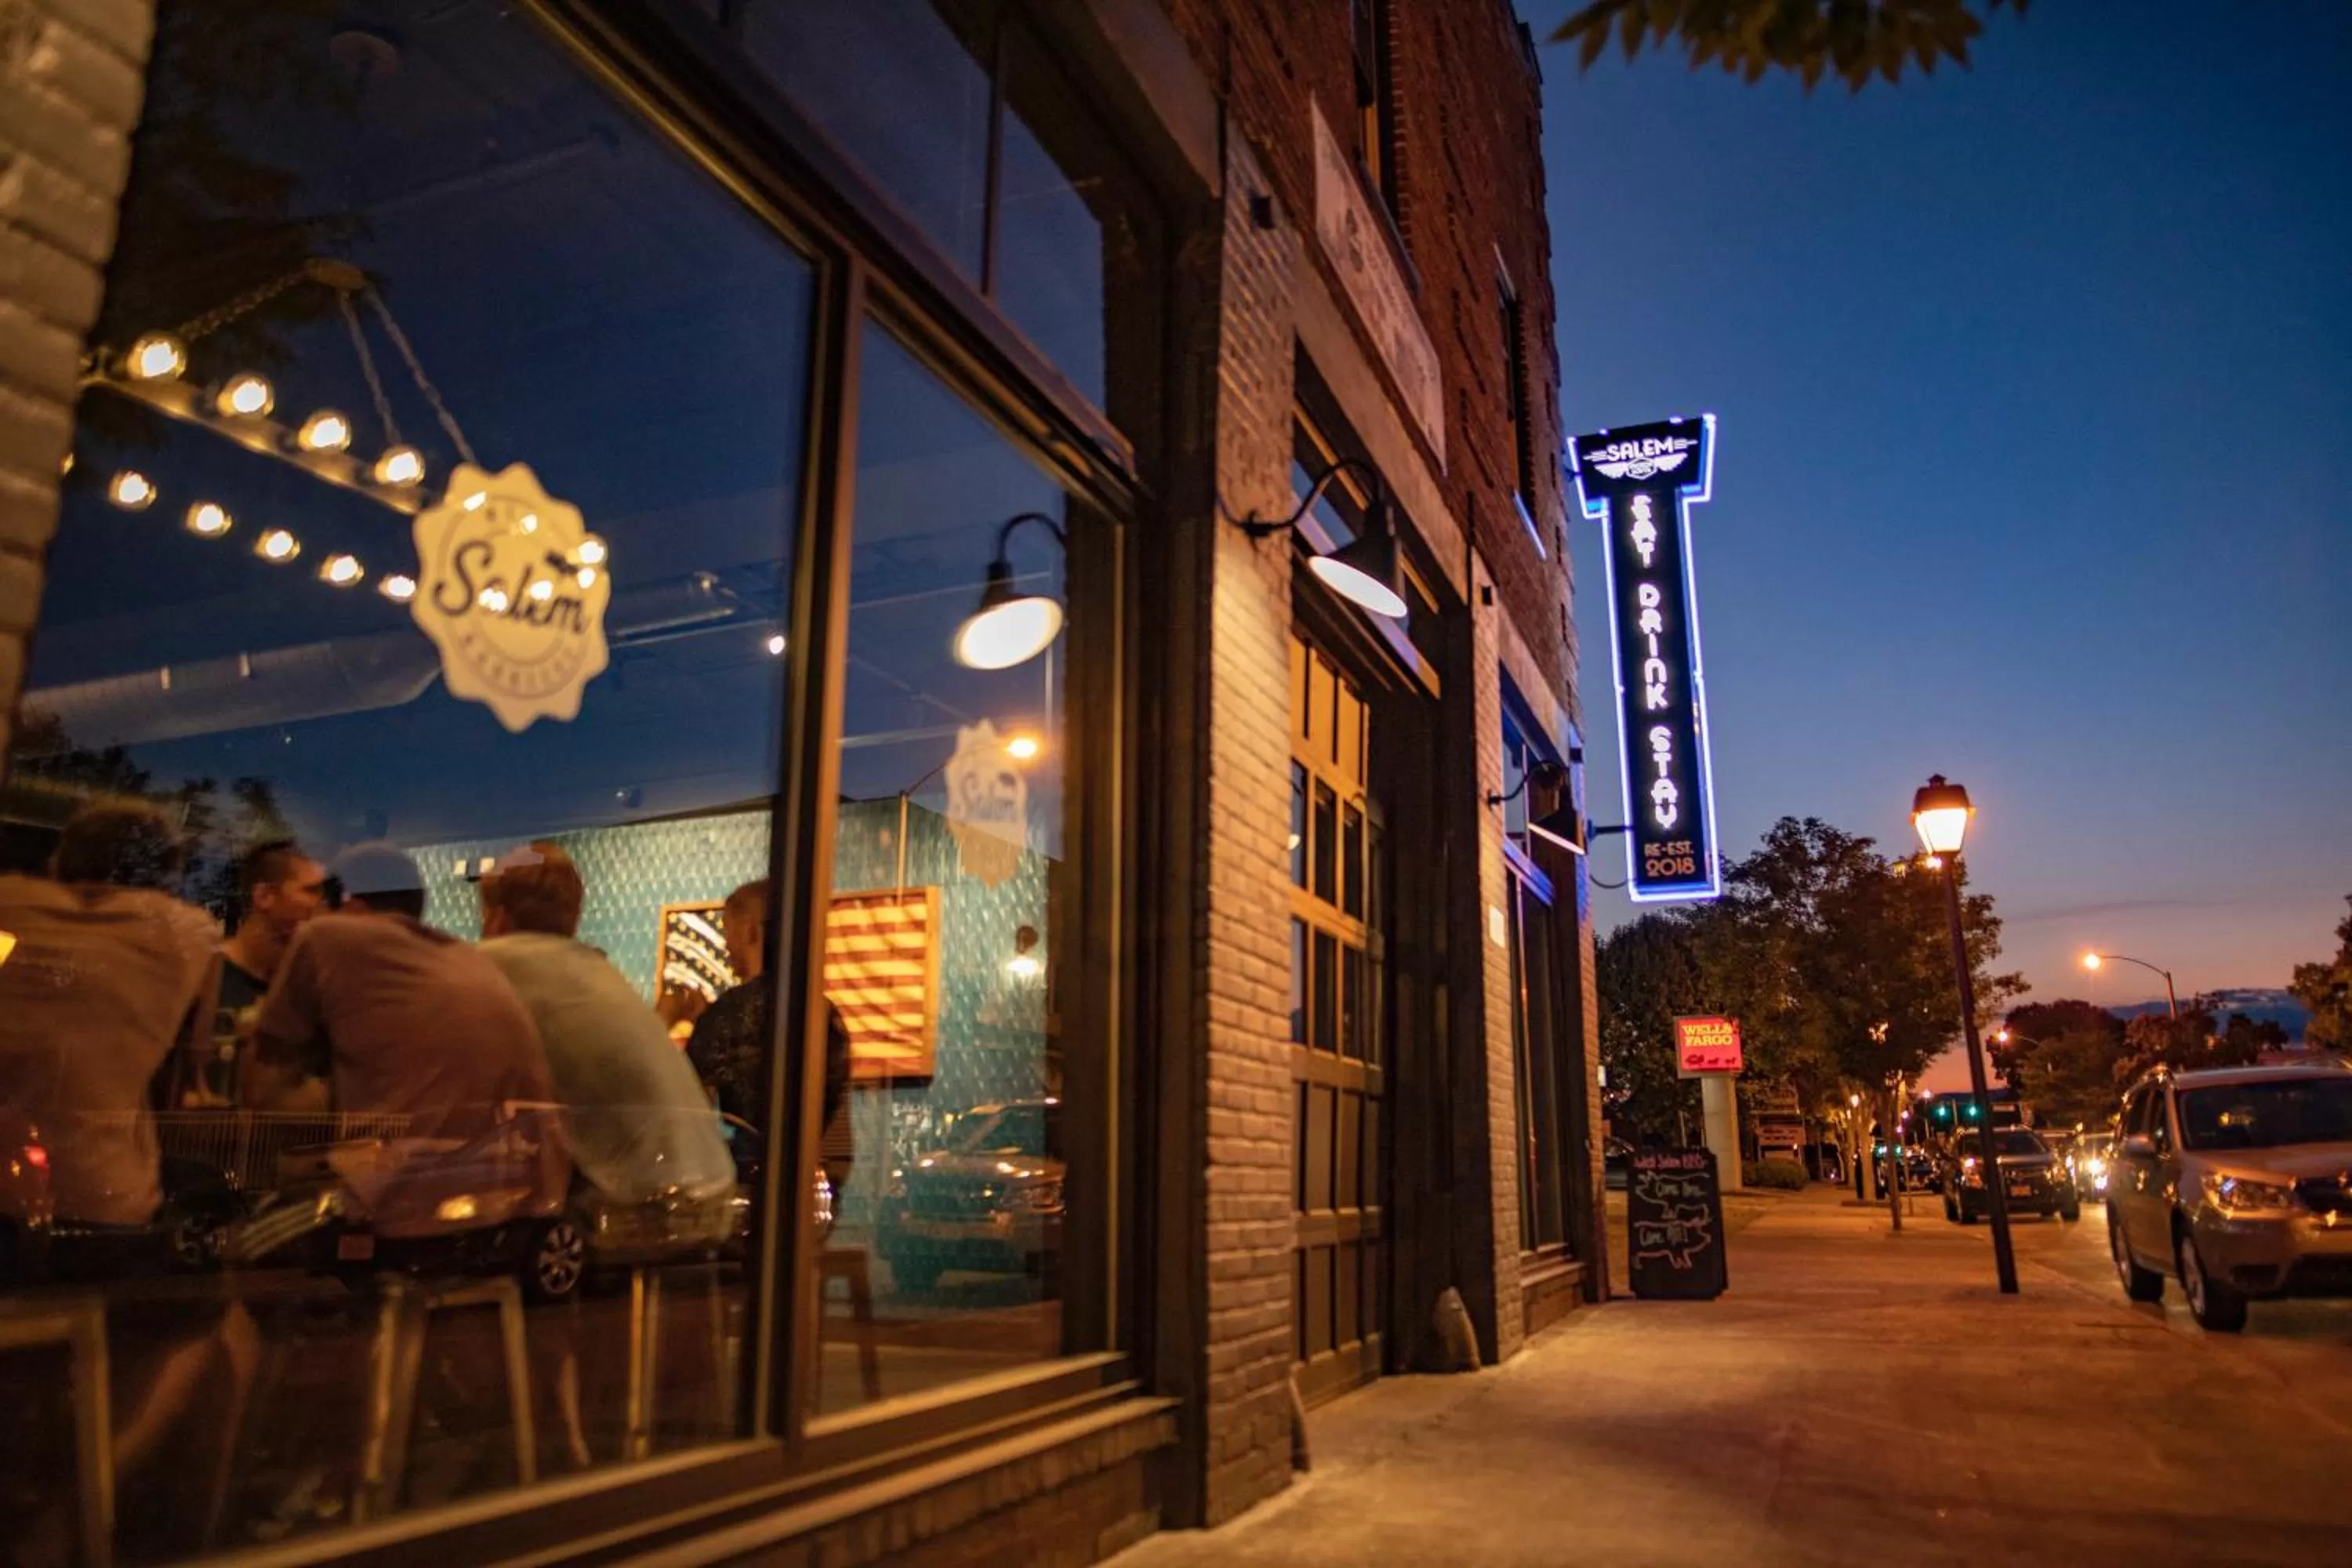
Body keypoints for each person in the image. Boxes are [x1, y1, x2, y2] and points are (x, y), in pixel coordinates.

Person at [246, 841, 557, 1149]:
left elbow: (262, 1090)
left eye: (321, 901)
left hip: (401, 1173)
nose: (312, 915)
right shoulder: (470, 960)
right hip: (500, 1170)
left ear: (353, 908)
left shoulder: (327, 937)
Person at [476, 842, 732, 1204]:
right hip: (712, 1186)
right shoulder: (595, 971)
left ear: (497, 918)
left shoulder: (500, 965)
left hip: (645, 1204)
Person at [0, 801, 218, 1228]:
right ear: (165, 873)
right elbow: (191, 1064)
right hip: (109, 1191)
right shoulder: (189, 932)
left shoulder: (8, 905)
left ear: (61, 857)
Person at [685, 879, 854, 1200]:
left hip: (748, 1188)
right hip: (813, 1186)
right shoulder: (822, 1011)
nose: (726, 945)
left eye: (728, 931)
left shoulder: (728, 1013)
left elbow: (690, 1109)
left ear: (750, 931)